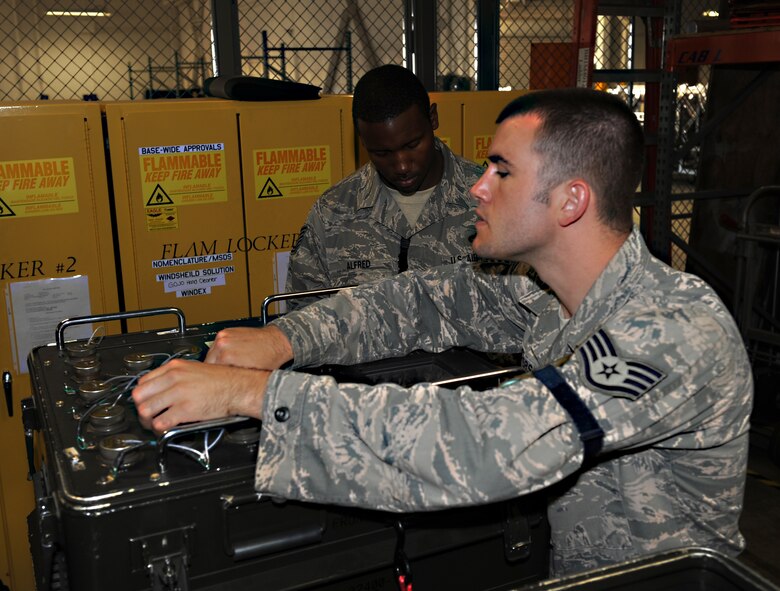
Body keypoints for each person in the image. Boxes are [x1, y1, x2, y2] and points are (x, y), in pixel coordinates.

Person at [132, 88, 753, 577]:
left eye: (502, 171)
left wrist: (252, 395)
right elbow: (424, 298)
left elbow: (485, 445)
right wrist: (286, 340)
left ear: (571, 201)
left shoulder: (673, 331)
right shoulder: (547, 295)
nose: (477, 186)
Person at [284, 64, 487, 310]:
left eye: (412, 145)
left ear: (433, 118)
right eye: (382, 153)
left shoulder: (492, 198)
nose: (401, 166)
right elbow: (304, 316)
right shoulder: (333, 213)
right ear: (362, 140)